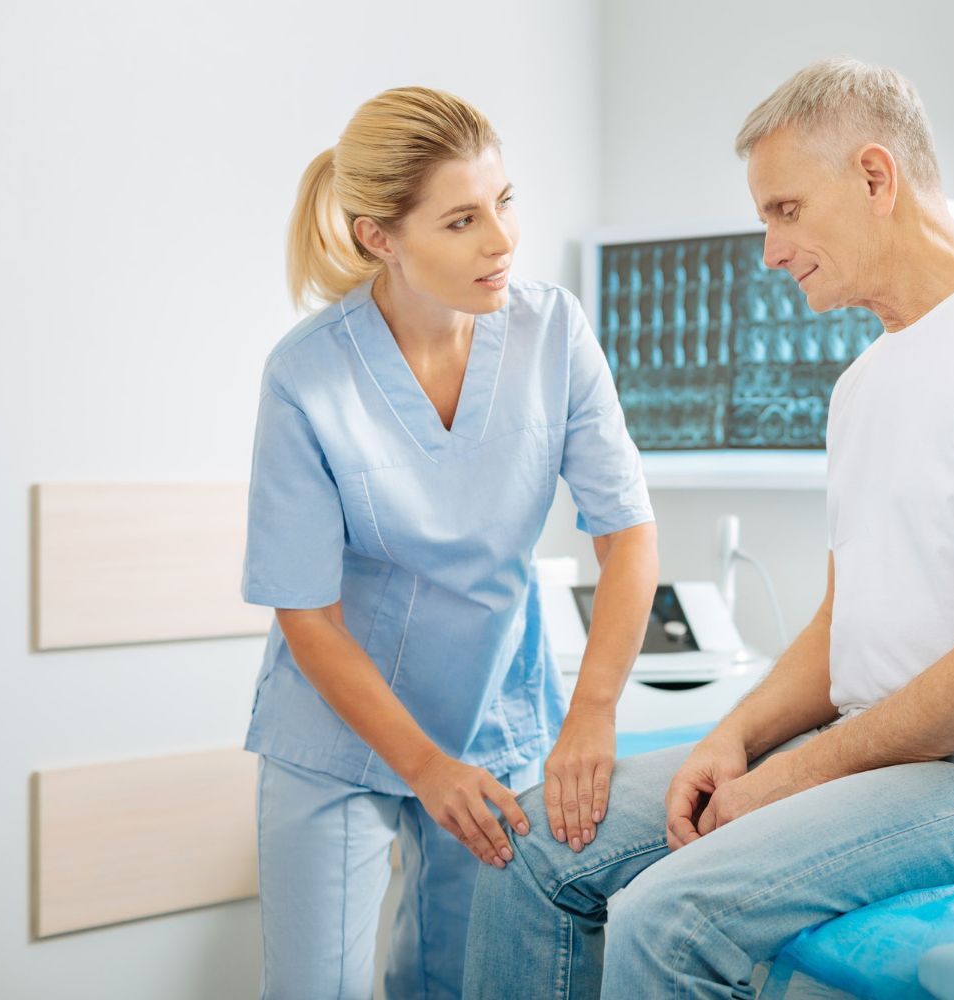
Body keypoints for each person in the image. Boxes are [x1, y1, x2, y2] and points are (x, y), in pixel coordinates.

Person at [464, 57, 954, 999]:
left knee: (669, 915)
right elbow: (842, 624)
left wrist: (792, 777)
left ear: (874, 177)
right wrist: (732, 736)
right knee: (532, 842)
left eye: (785, 211)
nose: (769, 251)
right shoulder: (864, 384)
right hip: (895, 745)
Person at [241, 86, 658, 999]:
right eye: (462, 219)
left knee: (462, 983)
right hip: (338, 732)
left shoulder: (553, 333)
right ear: (376, 237)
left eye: (504, 202)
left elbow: (628, 537)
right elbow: (306, 615)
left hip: (494, 716)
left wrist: (592, 711)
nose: (502, 240)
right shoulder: (307, 376)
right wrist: (422, 767)